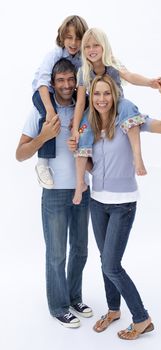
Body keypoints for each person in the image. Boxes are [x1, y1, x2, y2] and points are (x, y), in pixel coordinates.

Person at [68, 74, 161, 340]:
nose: (102, 99)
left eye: (107, 94)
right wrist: (77, 154)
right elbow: (94, 166)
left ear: (115, 95)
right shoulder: (90, 126)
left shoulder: (129, 122)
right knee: (106, 263)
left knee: (111, 265)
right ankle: (114, 310)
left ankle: (141, 318)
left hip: (123, 205)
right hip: (98, 202)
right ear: (91, 97)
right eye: (97, 94)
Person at [16, 58, 93, 328]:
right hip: (54, 193)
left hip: (82, 190)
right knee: (57, 253)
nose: (67, 85)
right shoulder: (39, 112)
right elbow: (20, 154)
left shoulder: (81, 109)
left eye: (71, 79)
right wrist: (44, 137)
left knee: (81, 250)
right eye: (60, 80)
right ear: (52, 82)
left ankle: (74, 297)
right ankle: (58, 306)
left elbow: (90, 151)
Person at [72, 27, 161, 204]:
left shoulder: (113, 64)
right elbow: (80, 103)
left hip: (117, 105)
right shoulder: (83, 71)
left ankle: (137, 157)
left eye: (96, 45)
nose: (91, 50)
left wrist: (150, 82)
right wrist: (75, 129)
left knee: (128, 107)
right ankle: (80, 184)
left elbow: (130, 76)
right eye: (87, 47)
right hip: (96, 109)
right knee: (84, 132)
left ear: (104, 47)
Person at [32, 15, 88, 189]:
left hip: (70, 94)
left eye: (78, 38)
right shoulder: (54, 54)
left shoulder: (82, 59)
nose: (73, 42)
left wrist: (78, 118)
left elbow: (82, 87)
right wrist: (49, 110)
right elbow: (42, 82)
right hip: (44, 93)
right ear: (62, 37)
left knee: (89, 104)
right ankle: (43, 163)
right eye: (69, 37)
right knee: (49, 119)